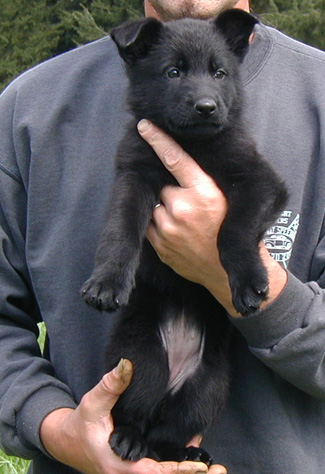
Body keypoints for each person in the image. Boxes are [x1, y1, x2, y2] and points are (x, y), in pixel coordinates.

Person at [0, 0, 324, 472]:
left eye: (217, 72)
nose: (203, 94)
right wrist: (57, 429)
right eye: (175, 73)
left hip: (210, 375)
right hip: (138, 354)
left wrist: (236, 269)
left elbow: (261, 188)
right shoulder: (26, 111)